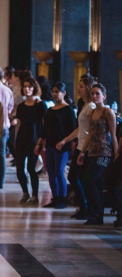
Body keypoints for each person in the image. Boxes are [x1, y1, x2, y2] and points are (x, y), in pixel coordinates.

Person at [76, 83, 117, 225]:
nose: (94, 96)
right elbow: (90, 134)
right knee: (96, 183)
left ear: (104, 96)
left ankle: (96, 211)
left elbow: (113, 134)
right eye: (92, 93)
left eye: (97, 93)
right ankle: (97, 215)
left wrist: (116, 154)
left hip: (104, 152)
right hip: (92, 151)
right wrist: (82, 152)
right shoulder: (91, 113)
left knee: (88, 180)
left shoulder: (108, 112)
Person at [56, 78, 95, 219]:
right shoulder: (84, 105)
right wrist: (65, 140)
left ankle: (86, 208)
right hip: (80, 145)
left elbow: (90, 130)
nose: (79, 89)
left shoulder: (91, 107)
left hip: (86, 147)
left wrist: (83, 150)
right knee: (75, 177)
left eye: (82, 87)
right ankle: (84, 207)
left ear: (89, 88)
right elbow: (80, 129)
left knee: (79, 177)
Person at [38, 82, 76, 209]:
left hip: (62, 146)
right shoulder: (50, 110)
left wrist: (67, 142)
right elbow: (44, 129)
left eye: (57, 91)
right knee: (51, 172)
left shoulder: (68, 110)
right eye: (53, 91)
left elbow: (73, 129)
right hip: (50, 145)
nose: (54, 94)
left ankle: (63, 199)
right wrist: (39, 143)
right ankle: (55, 197)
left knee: (59, 171)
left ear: (64, 93)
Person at [12, 78, 47, 205]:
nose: (27, 89)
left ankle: (35, 195)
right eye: (25, 86)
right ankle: (25, 192)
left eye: (29, 86)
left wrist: (42, 141)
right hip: (22, 139)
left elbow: (44, 125)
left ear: (34, 88)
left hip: (34, 139)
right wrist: (16, 140)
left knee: (31, 168)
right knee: (20, 169)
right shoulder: (21, 107)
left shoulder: (40, 105)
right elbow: (19, 124)